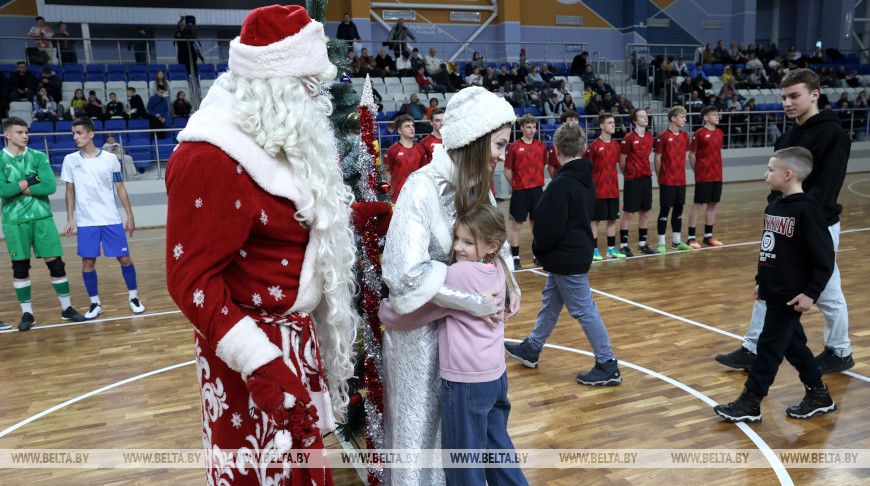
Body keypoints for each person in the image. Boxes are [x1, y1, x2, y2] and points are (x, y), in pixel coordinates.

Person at [165, 6, 369, 485]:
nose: (320, 100)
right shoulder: (213, 157)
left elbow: (283, 222)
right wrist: (258, 361)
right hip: (249, 355)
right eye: (310, 86)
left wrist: (354, 219)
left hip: (295, 342)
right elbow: (189, 279)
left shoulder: (279, 135)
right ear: (276, 85)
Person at [381, 86, 519, 486]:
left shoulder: (481, 186)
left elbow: (497, 245)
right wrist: (470, 301)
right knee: (422, 434)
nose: (501, 155)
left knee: (470, 440)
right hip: (421, 342)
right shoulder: (420, 188)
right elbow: (403, 273)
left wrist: (509, 286)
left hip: (466, 342)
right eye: (498, 144)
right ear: (475, 140)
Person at [715, 68, 854, 375]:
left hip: (817, 224)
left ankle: (839, 350)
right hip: (786, 222)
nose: (787, 103)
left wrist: (795, 217)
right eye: (784, 97)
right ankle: (752, 348)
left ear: (814, 95)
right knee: (772, 284)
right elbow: (778, 182)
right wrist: (776, 212)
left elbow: (826, 187)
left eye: (795, 96)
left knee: (827, 293)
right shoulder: (789, 135)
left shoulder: (833, 135)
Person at [378, 204, 528, 486]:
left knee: (462, 464)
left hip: (465, 384)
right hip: (496, 377)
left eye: (468, 242)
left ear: (493, 246)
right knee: (499, 452)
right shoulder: (498, 269)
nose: (457, 248)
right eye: (456, 238)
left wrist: (383, 309)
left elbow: (410, 312)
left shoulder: (458, 275)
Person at [713, 147, 835, 423]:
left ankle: (751, 401)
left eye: (770, 169)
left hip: (792, 294)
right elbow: (770, 249)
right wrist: (761, 281)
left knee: (768, 348)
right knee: (793, 345)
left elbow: (825, 257)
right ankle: (819, 394)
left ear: (788, 174)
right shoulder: (774, 206)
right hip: (774, 290)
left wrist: (811, 293)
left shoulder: (808, 210)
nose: (765, 174)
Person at [506, 123, 622, 386]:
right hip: (573, 253)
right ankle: (532, 348)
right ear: (583, 149)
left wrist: (538, 249)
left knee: (584, 310)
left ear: (554, 150)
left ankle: (607, 364)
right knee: (551, 302)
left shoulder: (560, 185)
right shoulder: (586, 179)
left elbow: (550, 229)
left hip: (566, 258)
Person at [1, 117, 86, 331]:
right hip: (14, 221)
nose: (25, 136)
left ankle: (67, 309)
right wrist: (32, 180)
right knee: (20, 268)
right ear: (7, 135)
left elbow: (49, 186)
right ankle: (27, 314)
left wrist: (17, 186)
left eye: (26, 132)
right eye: (20, 132)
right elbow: (3, 191)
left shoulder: (38, 156)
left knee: (56, 264)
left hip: (42, 218)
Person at [61, 117, 145, 320]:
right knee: (88, 264)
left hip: (111, 220)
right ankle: (95, 303)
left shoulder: (110, 159)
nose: (75, 137)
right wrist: (70, 219)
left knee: (124, 260)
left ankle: (133, 298)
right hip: (87, 222)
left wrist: (130, 216)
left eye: (79, 133)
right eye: (73, 133)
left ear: (91, 134)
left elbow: (120, 188)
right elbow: (69, 192)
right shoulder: (70, 160)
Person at [504, 113, 547, 269]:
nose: (531, 130)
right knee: (517, 225)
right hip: (520, 192)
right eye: (528, 127)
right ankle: (515, 257)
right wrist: (516, 185)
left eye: (534, 127)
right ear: (521, 127)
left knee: (537, 226)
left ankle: (537, 255)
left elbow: (542, 166)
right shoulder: (514, 147)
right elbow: (507, 170)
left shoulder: (541, 146)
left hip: (537, 191)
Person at [585, 113, 626, 260]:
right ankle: (593, 250)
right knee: (595, 221)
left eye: (614, 122)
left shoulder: (616, 145)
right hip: (598, 190)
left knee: (612, 220)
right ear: (602, 126)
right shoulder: (594, 146)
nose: (613, 125)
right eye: (610, 123)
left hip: (613, 189)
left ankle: (611, 249)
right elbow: (587, 170)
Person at [654, 106, 694, 253]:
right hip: (667, 180)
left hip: (681, 180)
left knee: (678, 210)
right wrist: (660, 176)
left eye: (685, 117)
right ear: (673, 118)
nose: (685, 119)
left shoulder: (684, 136)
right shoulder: (663, 136)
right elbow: (657, 157)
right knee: (664, 211)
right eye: (682, 117)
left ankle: (676, 241)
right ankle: (661, 243)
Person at [618, 108, 656, 257]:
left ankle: (642, 244)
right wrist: (628, 174)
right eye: (642, 116)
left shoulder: (649, 137)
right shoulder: (628, 138)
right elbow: (622, 160)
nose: (645, 118)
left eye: (646, 116)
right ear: (634, 121)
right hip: (632, 179)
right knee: (628, 213)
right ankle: (623, 245)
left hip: (646, 178)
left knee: (645, 212)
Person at [686, 105, 725, 248]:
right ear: (705, 117)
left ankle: (708, 236)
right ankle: (691, 237)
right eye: (714, 114)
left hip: (717, 175)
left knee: (713, 205)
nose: (717, 116)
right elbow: (691, 155)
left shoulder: (720, 133)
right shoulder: (699, 134)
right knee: (698, 205)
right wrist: (698, 172)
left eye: (717, 114)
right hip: (703, 176)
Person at [383, 114, 425, 202]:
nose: (412, 128)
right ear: (399, 130)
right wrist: (390, 194)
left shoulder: (420, 148)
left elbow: (424, 172)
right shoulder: (392, 150)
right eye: (407, 126)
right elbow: (386, 174)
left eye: (413, 126)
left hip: (417, 194)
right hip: (398, 196)